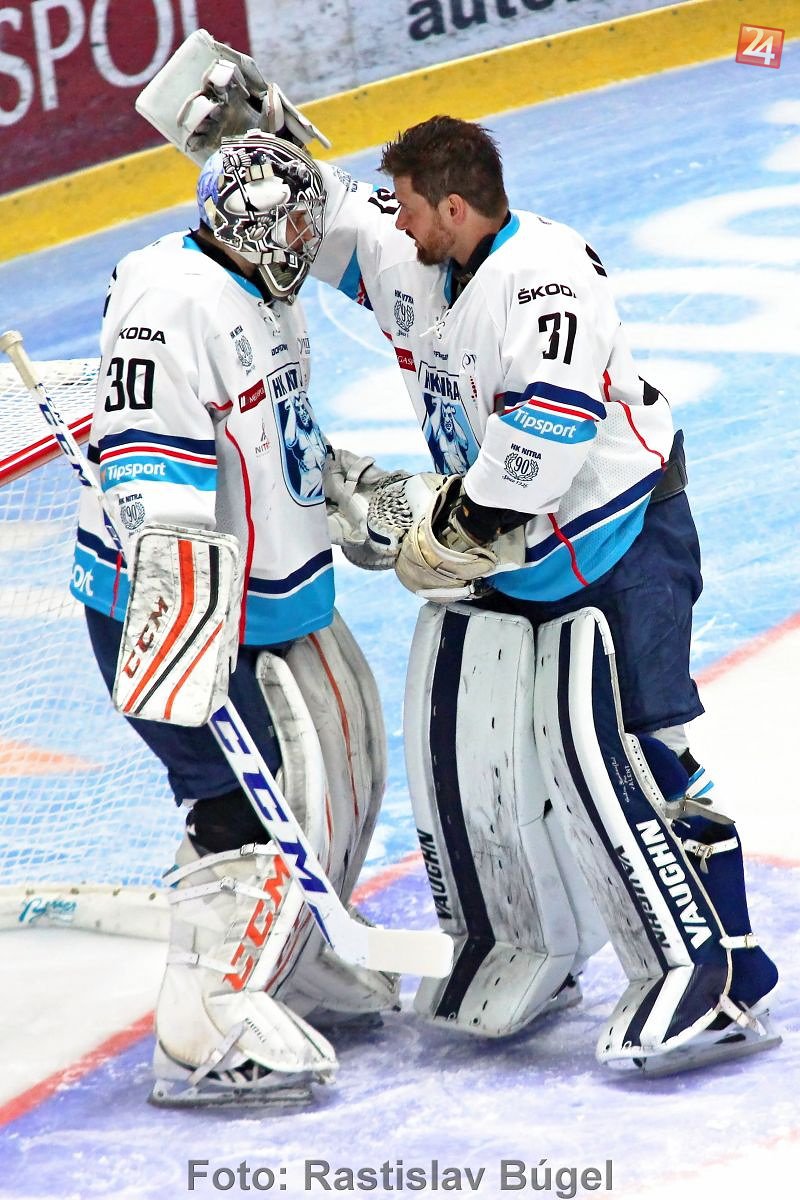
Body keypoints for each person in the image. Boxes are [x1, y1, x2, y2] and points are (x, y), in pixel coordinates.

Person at [135, 45, 780, 1073]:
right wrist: (254, 143)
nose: (386, 221)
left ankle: (716, 970)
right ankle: (511, 939)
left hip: (616, 541)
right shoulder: (414, 253)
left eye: (404, 206)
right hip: (512, 555)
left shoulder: (546, 280)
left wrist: (453, 528)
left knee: (630, 749)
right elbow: (320, 218)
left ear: (451, 207)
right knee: (470, 742)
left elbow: (548, 432)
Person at [70, 130, 397, 1108]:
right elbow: (148, 473)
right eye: (286, 224)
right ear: (240, 226)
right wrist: (184, 620)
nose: (303, 240)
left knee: (333, 771)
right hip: (181, 608)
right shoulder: (169, 302)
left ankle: (287, 955)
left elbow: (271, 426)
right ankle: (202, 1031)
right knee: (240, 808)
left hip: (263, 591)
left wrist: (332, 483)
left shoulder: (260, 286)